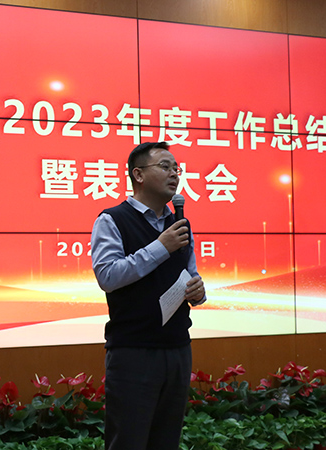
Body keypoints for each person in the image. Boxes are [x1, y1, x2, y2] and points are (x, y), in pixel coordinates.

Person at [90, 141, 206, 450]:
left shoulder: (179, 224)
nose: (174, 174)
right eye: (165, 167)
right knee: (129, 441)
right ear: (138, 175)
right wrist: (160, 247)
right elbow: (108, 276)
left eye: (176, 169)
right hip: (134, 351)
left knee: (166, 441)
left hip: (178, 348)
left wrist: (198, 291)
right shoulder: (112, 220)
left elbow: (190, 275)